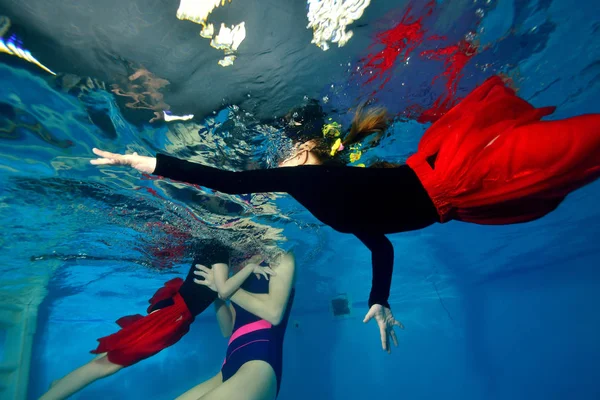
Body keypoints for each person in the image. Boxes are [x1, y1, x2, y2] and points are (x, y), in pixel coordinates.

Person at [89, 75, 600, 353]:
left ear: (307, 146)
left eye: (285, 150)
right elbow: (380, 243)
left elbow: (229, 182)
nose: (276, 161)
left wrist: (149, 161)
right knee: (582, 159)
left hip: (462, 172)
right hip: (461, 197)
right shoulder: (321, 190)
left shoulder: (304, 177)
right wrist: (379, 299)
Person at [39, 240, 273, 400]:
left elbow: (222, 311)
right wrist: (250, 268)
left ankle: (61, 384)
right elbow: (223, 291)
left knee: (112, 357)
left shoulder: (219, 253)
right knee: (107, 365)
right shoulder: (220, 248)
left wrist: (229, 285)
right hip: (171, 316)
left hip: (174, 313)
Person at [175, 251, 296, 400]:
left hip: (260, 361)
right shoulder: (240, 269)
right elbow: (227, 329)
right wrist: (215, 294)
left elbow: (274, 313)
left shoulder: (281, 257)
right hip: (230, 362)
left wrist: (223, 288)